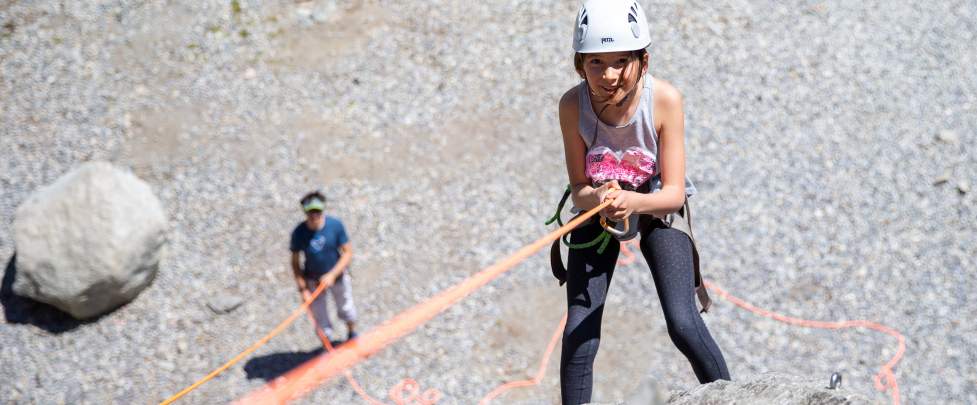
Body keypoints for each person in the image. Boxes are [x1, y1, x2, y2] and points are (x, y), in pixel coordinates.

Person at [556, 0, 730, 402]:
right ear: (580, 63)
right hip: (599, 208)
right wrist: (598, 196)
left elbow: (672, 194)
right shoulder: (572, 105)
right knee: (579, 330)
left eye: (621, 61)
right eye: (595, 62)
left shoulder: (664, 100)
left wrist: (631, 203)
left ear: (644, 60)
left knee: (683, 322)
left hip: (654, 206)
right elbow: (579, 187)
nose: (609, 75)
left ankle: (733, 396)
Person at [289, 191, 358, 343]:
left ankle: (352, 335)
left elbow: (347, 253)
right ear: (305, 212)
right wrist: (303, 289)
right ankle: (327, 346)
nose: (314, 216)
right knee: (320, 317)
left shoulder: (335, 225)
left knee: (346, 307)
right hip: (313, 281)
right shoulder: (299, 233)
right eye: (310, 212)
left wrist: (332, 275)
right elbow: (295, 262)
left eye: (317, 211)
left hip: (337, 277)